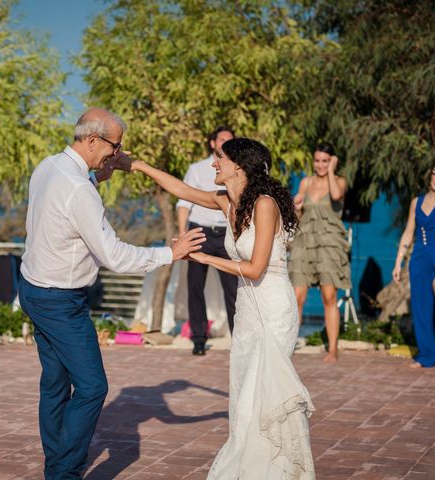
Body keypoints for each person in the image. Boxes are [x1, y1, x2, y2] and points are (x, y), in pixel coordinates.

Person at [18, 108, 206, 480]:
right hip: (60, 300)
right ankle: (64, 473)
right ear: (92, 141)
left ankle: (55, 468)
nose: (117, 155)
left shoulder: (49, 166)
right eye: (115, 147)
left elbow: (64, 207)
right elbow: (115, 256)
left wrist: (96, 177)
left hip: (33, 288)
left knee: (55, 384)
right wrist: (171, 253)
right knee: (92, 387)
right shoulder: (79, 190)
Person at [127, 138, 315, 479]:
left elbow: (257, 268)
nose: (214, 164)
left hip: (273, 307)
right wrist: (139, 166)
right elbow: (181, 189)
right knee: (244, 393)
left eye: (220, 159)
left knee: (263, 395)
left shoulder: (265, 204)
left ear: (239, 166)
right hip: (247, 308)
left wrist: (203, 257)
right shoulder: (229, 202)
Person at [177, 126, 239, 355]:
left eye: (229, 141)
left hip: (225, 234)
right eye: (221, 140)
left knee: (233, 288)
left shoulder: (236, 169)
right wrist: (184, 233)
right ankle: (199, 339)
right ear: (212, 143)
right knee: (195, 286)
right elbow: (183, 202)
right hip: (199, 231)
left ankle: (239, 338)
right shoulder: (197, 169)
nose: (224, 143)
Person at [288, 142, 350, 363]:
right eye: (318, 160)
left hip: (329, 244)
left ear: (332, 161)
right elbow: (297, 218)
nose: (321, 165)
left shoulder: (339, 181)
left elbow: (335, 196)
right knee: (297, 297)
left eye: (325, 160)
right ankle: (288, 345)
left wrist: (332, 170)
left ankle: (333, 349)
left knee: (329, 296)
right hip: (304, 241)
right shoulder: (305, 182)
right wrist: (296, 208)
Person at [392, 163, 435, 368]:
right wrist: (398, 262)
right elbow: (409, 232)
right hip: (419, 258)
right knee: (422, 308)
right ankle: (428, 354)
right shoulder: (416, 202)